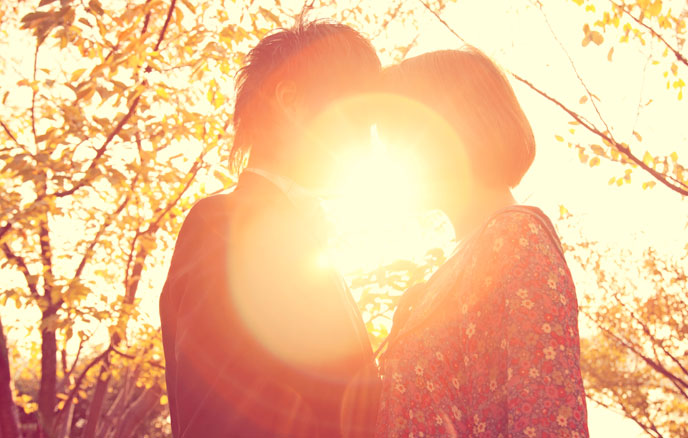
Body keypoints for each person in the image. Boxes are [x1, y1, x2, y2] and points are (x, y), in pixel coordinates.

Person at [159, 19, 381, 438]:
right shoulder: (222, 226)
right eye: (358, 114)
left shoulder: (308, 243)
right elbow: (218, 418)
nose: (368, 143)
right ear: (290, 100)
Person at [373, 49, 590, 437]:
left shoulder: (515, 240)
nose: (389, 155)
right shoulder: (464, 257)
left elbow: (544, 418)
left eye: (399, 137)